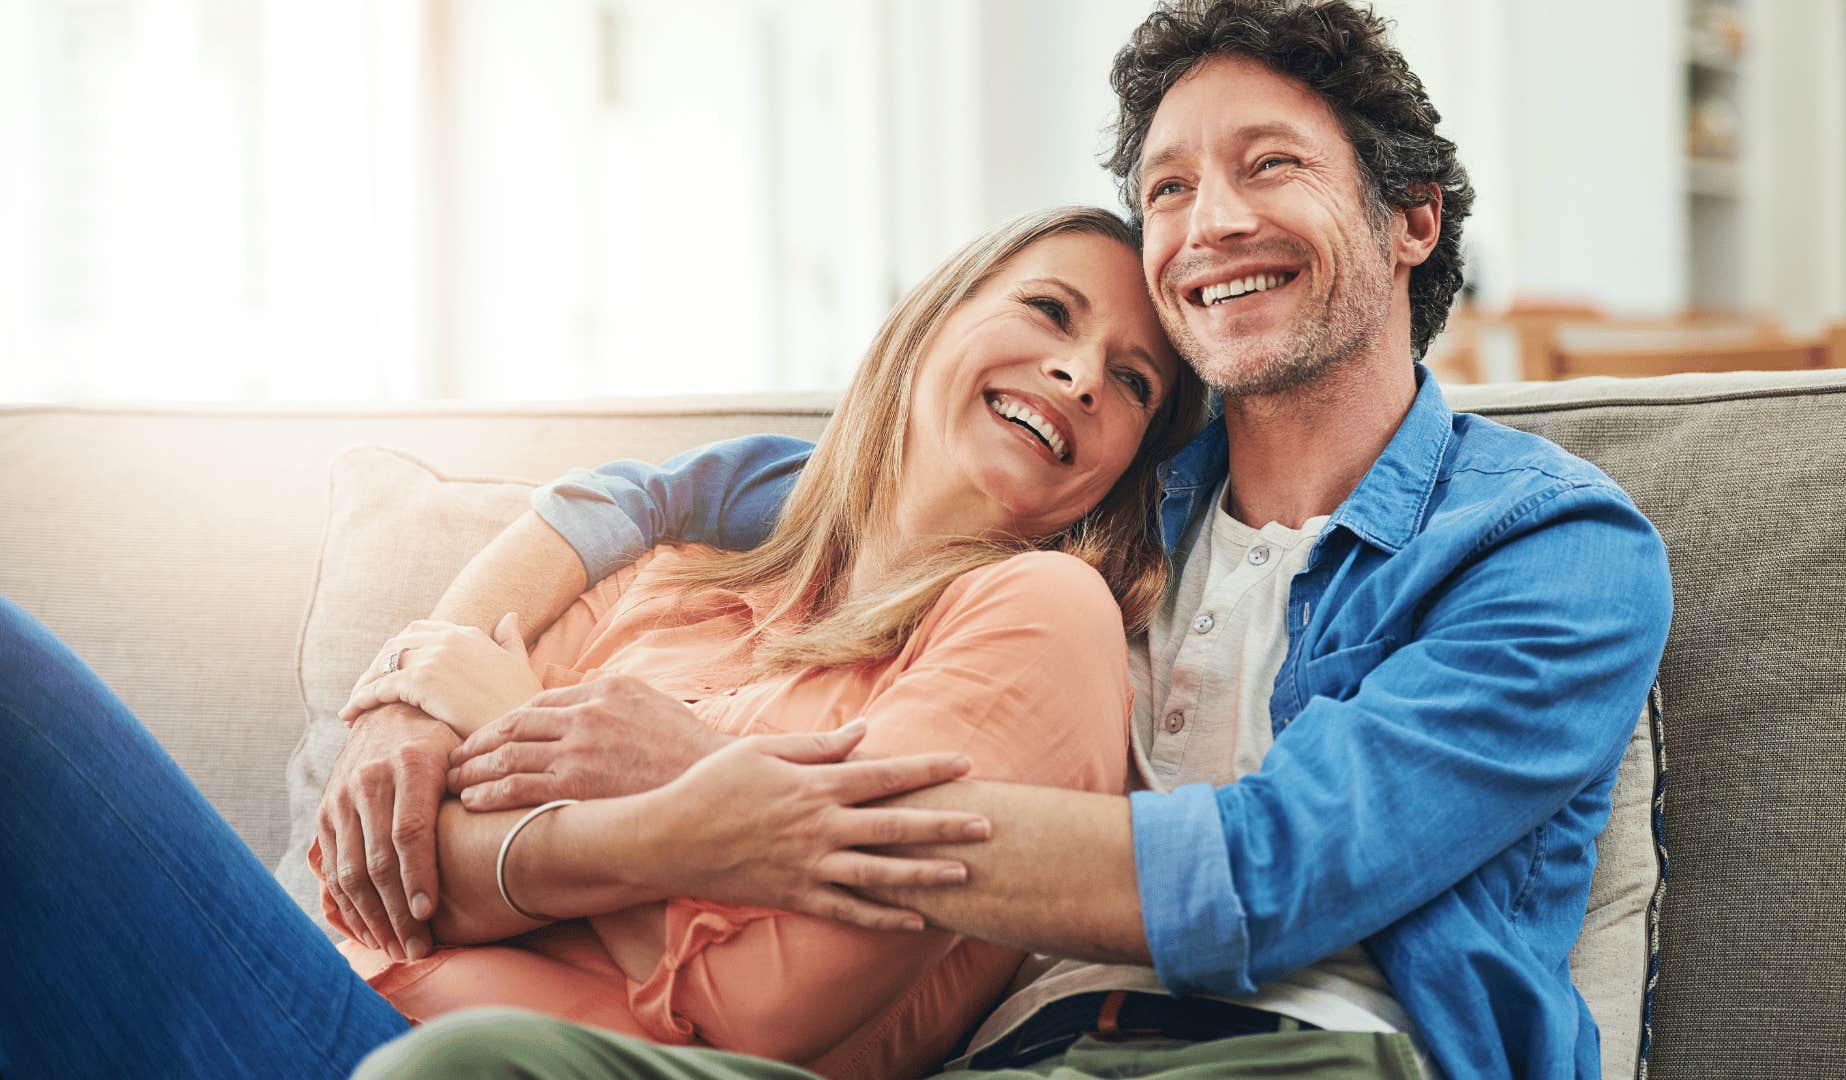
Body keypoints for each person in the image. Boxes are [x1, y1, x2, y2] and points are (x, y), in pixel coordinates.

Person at [348, 3, 1675, 1079]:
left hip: (1300, 1056)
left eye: (1268, 164)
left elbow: (1268, 878)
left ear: (1413, 218)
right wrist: (413, 691)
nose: (1208, 222)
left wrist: (726, 782)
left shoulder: (1552, 552)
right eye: (1168, 187)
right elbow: (708, 491)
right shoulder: (1102, 490)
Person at [0, 204, 1206, 1080]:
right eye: (1050, 311)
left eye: (1135, 382)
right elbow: (411, 880)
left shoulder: (1041, 618)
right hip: (324, 985)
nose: (1078, 370)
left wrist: (641, 794)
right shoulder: (674, 583)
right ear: (932, 323)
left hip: (402, 1055)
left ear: (1125, 467)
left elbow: (765, 1010)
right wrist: (693, 845)